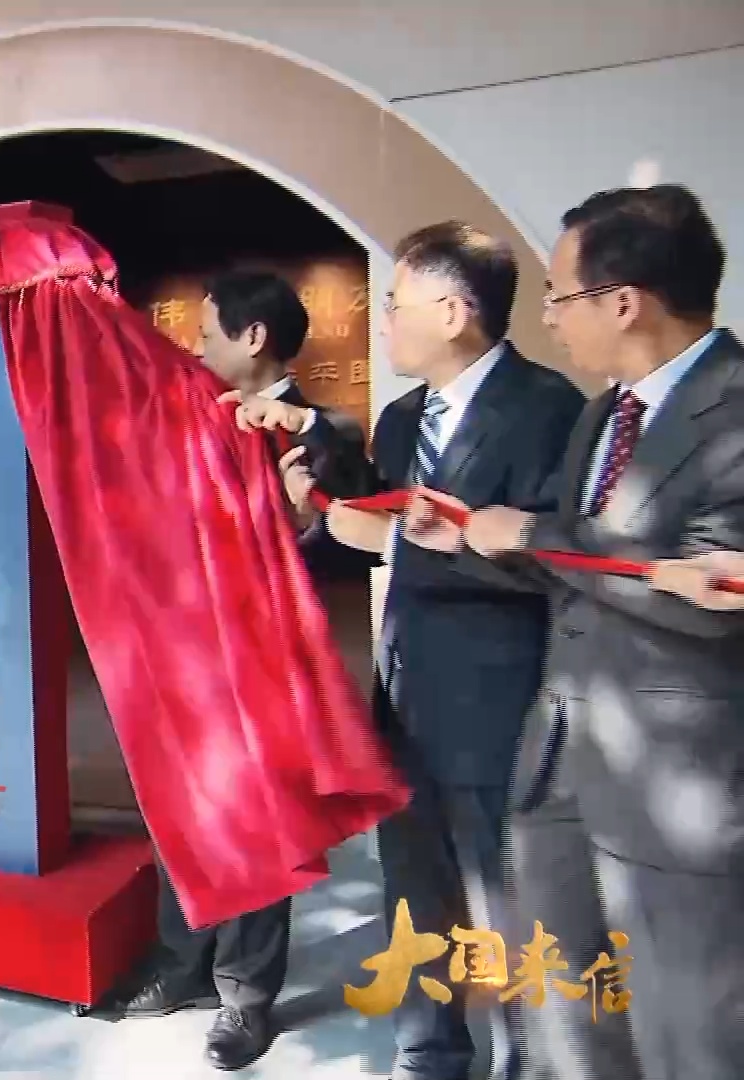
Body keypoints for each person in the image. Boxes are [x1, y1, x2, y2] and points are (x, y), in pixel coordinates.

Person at [413, 185, 741, 1080]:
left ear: (624, 302)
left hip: (676, 790)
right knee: (571, 1021)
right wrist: (472, 541)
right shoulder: (604, 413)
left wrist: (533, 533)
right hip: (560, 763)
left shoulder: (735, 412)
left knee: (688, 1039)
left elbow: (705, 591)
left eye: (560, 296)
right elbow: (576, 569)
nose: (550, 318)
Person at [293, 223, 586, 1080]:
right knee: (415, 888)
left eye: (395, 304)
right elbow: (379, 531)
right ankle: (428, 1052)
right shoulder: (401, 417)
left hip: (502, 700)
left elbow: (557, 565)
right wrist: (320, 510)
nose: (383, 320)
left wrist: (409, 545)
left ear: (453, 312)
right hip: (407, 691)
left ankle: (530, 1061)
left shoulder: (548, 409)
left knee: (510, 904)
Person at [100, 269, 376, 1070]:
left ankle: (246, 996)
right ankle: (181, 962)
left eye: (207, 333)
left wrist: (298, 472)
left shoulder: (321, 430)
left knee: (260, 822)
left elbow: (347, 515)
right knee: (181, 805)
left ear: (254, 338)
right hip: (187, 652)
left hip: (266, 661)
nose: (194, 348)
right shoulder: (189, 417)